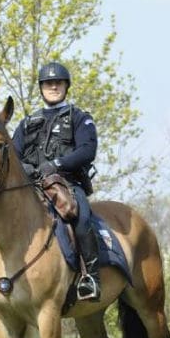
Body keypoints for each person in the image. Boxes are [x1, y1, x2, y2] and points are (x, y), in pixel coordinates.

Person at [13, 62, 101, 301]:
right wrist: (27, 169)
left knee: (81, 218)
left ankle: (89, 276)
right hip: (31, 187)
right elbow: (12, 156)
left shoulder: (79, 118)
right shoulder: (27, 122)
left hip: (67, 184)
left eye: (58, 83)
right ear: (41, 88)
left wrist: (57, 164)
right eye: (48, 83)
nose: (53, 87)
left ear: (66, 86)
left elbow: (87, 150)